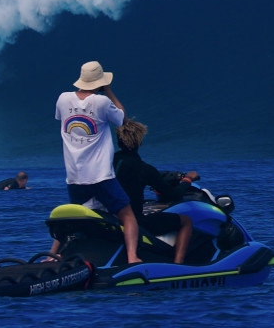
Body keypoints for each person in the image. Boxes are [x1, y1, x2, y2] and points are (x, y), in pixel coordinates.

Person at [49, 61, 140, 264]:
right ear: (99, 82)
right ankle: (133, 257)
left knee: (74, 220)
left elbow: (63, 119)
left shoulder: (63, 99)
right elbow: (123, 118)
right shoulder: (101, 102)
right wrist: (109, 91)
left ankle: (56, 256)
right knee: (128, 216)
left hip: (74, 176)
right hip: (100, 175)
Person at [113, 119, 193, 264]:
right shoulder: (144, 168)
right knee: (186, 221)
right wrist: (187, 180)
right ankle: (178, 265)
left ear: (118, 142)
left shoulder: (109, 163)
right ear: (140, 143)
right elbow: (173, 195)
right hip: (136, 221)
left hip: (110, 217)